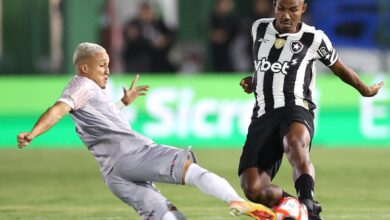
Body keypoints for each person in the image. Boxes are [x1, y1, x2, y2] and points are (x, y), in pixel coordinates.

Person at [16, 42, 277, 220]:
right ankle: (235, 200)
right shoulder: (82, 86)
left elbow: (102, 121)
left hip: (114, 175)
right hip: (134, 154)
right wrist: (33, 133)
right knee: (192, 170)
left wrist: (122, 103)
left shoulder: (89, 94)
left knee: (166, 214)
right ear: (85, 68)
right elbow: (57, 110)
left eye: (108, 64)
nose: (108, 70)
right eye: (102, 65)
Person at [238, 0, 384, 220]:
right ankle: (294, 205)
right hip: (263, 113)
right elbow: (264, 64)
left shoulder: (314, 38)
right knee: (253, 188)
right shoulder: (259, 28)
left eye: (293, 10)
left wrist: (364, 89)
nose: (286, 15)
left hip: (296, 107)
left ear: (303, 9)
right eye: (281, 8)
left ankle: (308, 203)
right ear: (274, 6)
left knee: (295, 143)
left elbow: (339, 68)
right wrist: (255, 81)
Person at [122, 2, 176, 73]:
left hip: (157, 59)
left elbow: (170, 36)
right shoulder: (134, 24)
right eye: (144, 13)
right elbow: (128, 35)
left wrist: (164, 40)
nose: (146, 15)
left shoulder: (159, 24)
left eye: (148, 12)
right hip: (138, 59)